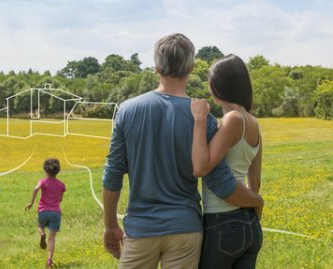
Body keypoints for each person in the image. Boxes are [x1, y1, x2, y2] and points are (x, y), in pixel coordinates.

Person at [102, 33, 264, 269]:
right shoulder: (204, 119)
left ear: (157, 68)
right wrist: (255, 200)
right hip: (186, 229)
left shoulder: (127, 110)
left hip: (141, 228)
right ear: (191, 68)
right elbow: (219, 181)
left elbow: (113, 173)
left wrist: (110, 224)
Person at [191, 54, 263, 269]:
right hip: (249, 224)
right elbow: (256, 181)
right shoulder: (254, 123)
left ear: (217, 86)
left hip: (221, 223)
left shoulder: (233, 119)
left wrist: (200, 121)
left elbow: (203, 166)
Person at [25, 158, 66, 268]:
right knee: (52, 238)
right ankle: (49, 260)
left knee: (40, 227)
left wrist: (31, 203)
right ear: (58, 171)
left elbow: (35, 189)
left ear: (45, 170)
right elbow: (60, 200)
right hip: (55, 213)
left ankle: (42, 233)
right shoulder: (61, 184)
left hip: (43, 211)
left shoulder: (42, 181)